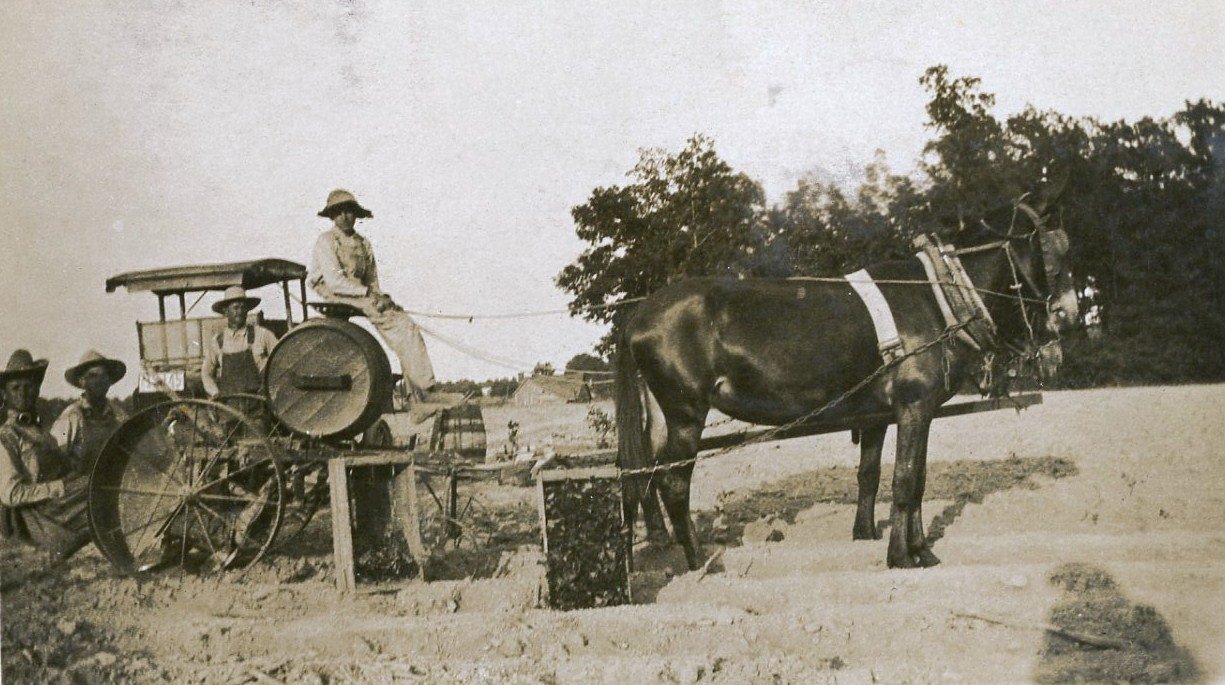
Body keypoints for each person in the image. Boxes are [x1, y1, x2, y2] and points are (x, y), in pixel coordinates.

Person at [308, 189, 437, 402]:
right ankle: (426, 391)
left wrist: (382, 297)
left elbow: (372, 280)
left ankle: (418, 394)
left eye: (349, 211)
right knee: (401, 327)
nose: (345, 217)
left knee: (404, 323)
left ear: (356, 215)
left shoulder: (363, 243)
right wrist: (369, 294)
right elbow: (335, 282)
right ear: (332, 216)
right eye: (339, 213)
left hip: (358, 293)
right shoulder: (327, 241)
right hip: (334, 293)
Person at [0, 350, 91, 560]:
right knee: (98, 492)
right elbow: (11, 494)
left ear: (37, 390)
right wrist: (59, 487)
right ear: (4, 395)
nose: (23, 393)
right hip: (35, 517)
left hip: (58, 507)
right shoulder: (7, 436)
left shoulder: (41, 433)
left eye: (29, 386)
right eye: (15, 388)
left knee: (99, 483)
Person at [51, 350, 129, 475]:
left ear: (109, 381)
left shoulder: (119, 415)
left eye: (104, 376)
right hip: (78, 484)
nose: (100, 381)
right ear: (82, 381)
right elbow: (53, 460)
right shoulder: (71, 417)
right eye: (93, 376)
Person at [200, 286, 279, 398]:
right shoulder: (217, 342)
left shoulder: (262, 334)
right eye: (236, 308)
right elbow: (206, 373)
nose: (240, 312)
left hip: (259, 402)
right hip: (229, 404)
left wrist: (272, 390)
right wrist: (215, 393)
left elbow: (281, 360)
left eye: (243, 307)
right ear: (226, 311)